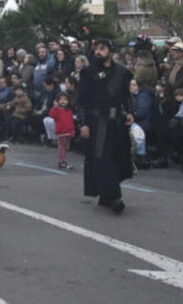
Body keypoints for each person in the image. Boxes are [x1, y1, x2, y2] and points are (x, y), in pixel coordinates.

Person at [76, 38, 133, 213]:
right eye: (96, 49)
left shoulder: (122, 72)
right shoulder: (88, 72)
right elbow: (81, 101)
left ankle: (106, 195)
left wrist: (130, 112)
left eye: (102, 49)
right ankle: (113, 197)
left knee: (118, 157)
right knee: (103, 159)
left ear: (111, 51)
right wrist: (83, 123)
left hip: (116, 122)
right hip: (97, 122)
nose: (98, 52)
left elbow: (126, 96)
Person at [49, 91, 76, 170]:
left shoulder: (69, 110)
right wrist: (55, 107)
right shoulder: (57, 110)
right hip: (61, 132)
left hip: (68, 131)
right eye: (61, 99)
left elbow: (71, 121)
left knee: (66, 147)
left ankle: (63, 161)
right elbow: (52, 114)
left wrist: (72, 130)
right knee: (62, 147)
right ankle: (63, 161)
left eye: (65, 99)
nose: (63, 101)